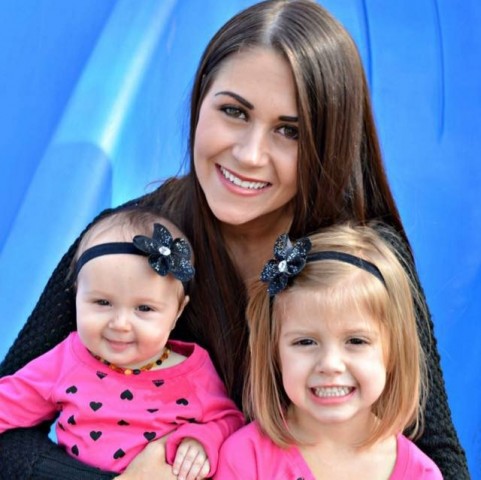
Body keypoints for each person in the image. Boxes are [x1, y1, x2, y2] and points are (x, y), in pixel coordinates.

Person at [0, 0, 468, 479]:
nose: (249, 154)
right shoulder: (127, 245)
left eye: (289, 131)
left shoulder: (360, 264)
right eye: (234, 111)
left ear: (328, 142)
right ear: (200, 100)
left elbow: (437, 452)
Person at [0, 209, 244, 479]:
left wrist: (200, 440)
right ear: (76, 296)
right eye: (102, 302)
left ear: (177, 312)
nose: (120, 324)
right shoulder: (67, 359)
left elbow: (229, 420)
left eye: (144, 308)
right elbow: (9, 401)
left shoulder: (193, 372)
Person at [215, 223, 443, 479]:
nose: (330, 364)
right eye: (305, 342)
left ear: (394, 352)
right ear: (275, 353)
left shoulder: (421, 474)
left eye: (356, 341)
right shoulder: (245, 459)